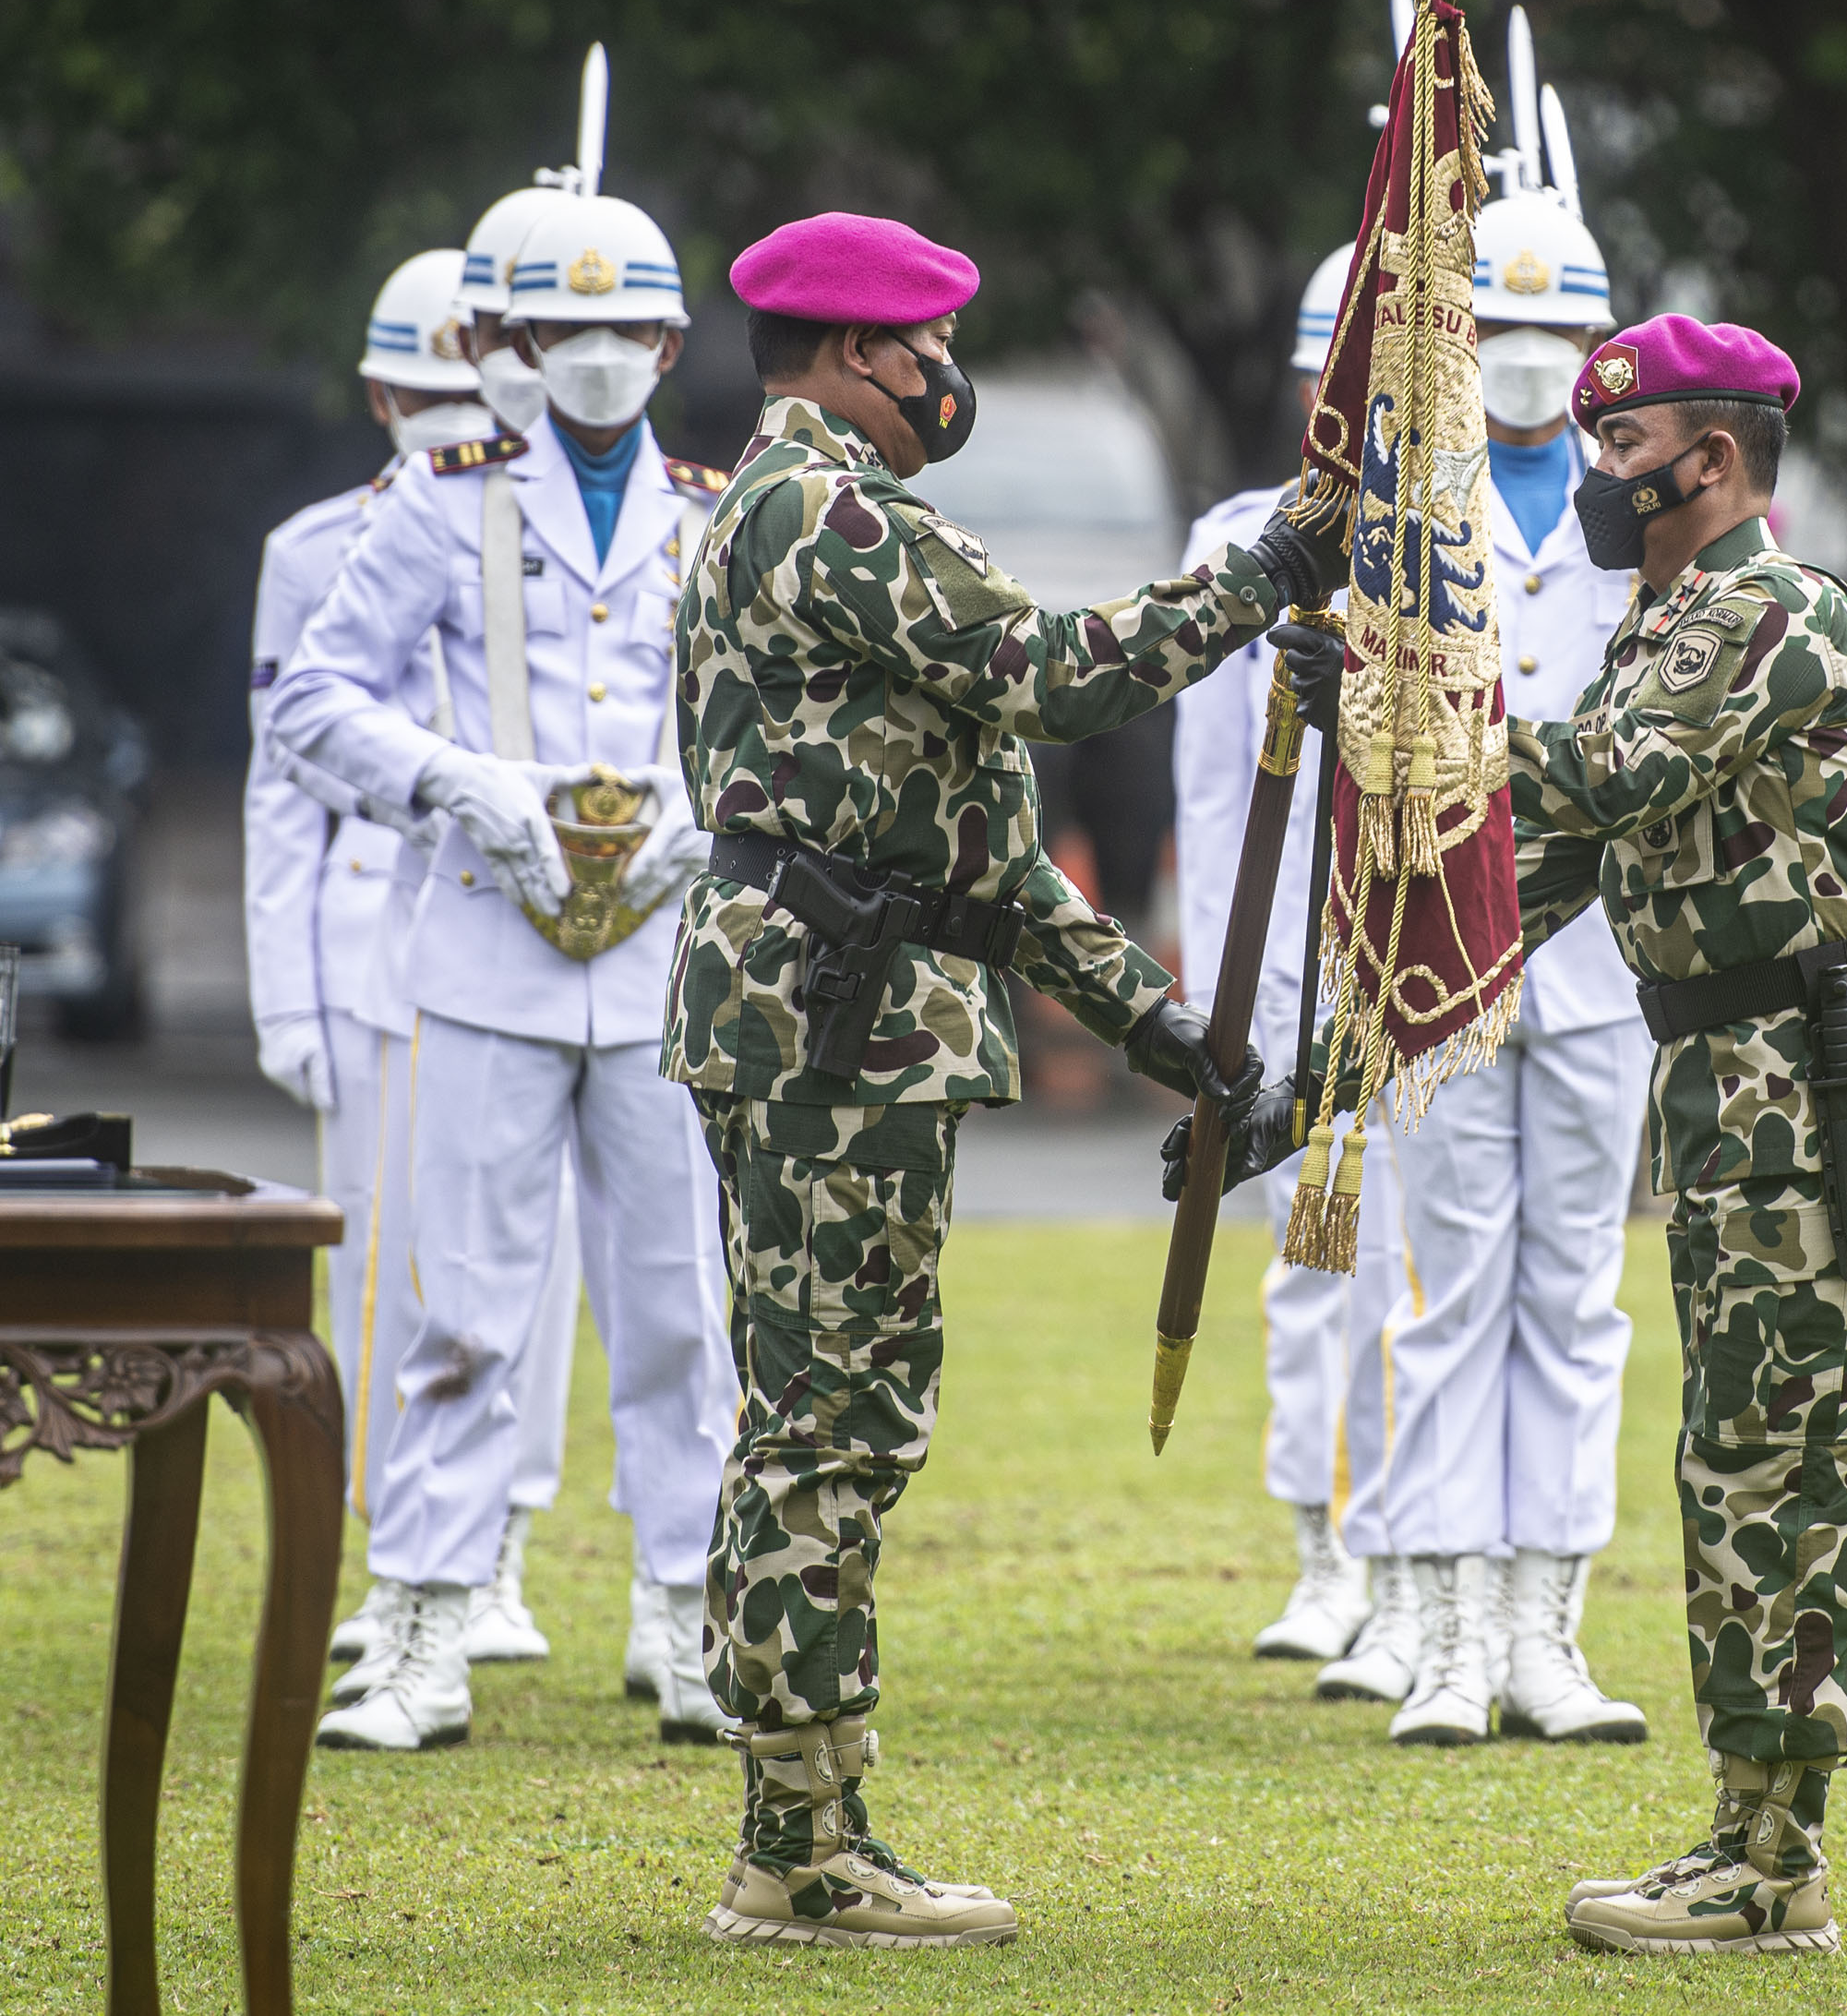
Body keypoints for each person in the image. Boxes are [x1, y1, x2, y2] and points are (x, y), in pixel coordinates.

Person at [662, 210, 1323, 1948]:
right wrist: (1265, 575)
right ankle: (798, 1851)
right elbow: (1054, 680)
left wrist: (1170, 1030)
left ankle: (803, 1817)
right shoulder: (824, 512)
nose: (949, 375)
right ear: (872, 354)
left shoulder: (828, 515)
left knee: (830, 1414)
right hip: (830, 1018)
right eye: (936, 347)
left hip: (844, 999)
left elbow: (984, 860)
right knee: (830, 1422)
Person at [1509, 316, 1847, 1955]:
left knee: (1789, 1475)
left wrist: (1415, 706)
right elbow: (1531, 877)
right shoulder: (1665, 622)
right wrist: (1316, 1069)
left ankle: (1773, 1866)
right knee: (1736, 1467)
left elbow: (1608, 782)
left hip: (1816, 1084)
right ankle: (1750, 1840)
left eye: (1620, 451)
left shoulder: (1770, 612)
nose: (1596, 481)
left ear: (1709, 462)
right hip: (1736, 1089)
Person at [272, 192, 744, 1758]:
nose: (599, 359)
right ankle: (421, 1622)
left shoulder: (714, 511)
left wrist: (706, 817)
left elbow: (775, 721)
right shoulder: (439, 498)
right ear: (509, 348)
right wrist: (458, 783)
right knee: (455, 1307)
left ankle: (690, 1621)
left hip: (665, 960)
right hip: (484, 943)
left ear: (673, 345)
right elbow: (319, 703)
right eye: (564, 333)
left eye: (628, 332)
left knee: (679, 1308)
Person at [1296, 177, 1656, 1747]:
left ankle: (1543, 1633)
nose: (1523, 353)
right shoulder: (1396, 505)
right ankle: (1440, 1627)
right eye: (1495, 321)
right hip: (1435, 954)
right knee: (1443, 1298)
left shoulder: (1639, 522)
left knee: (1575, 1301)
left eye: (1555, 327)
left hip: (1593, 964)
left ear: (1595, 347)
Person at [249, 250, 582, 1684]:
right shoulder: (320, 544)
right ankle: (403, 1561)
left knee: (542, 1254)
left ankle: (500, 1540)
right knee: (392, 1267)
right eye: (433, 393)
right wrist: (282, 984)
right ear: (385, 393)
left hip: (539, 926)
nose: (459, 418)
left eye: (482, 388)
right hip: (368, 940)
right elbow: (283, 779)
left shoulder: (546, 511)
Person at [1169, 243, 1373, 1668]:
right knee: (1316, 1258)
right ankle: (1323, 1544)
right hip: (1292, 953)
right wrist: (1218, 993)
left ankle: (1419, 1551)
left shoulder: (1467, 541)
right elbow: (1202, 780)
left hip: (1419, 958)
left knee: (1437, 1275)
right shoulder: (1239, 535)